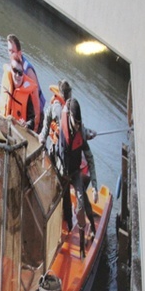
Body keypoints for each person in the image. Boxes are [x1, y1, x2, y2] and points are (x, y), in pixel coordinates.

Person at [59, 98, 98, 257]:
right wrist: (42, 134)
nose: (76, 128)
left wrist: (95, 187)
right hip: (61, 172)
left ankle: (82, 246)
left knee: (81, 204)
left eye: (79, 125)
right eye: (75, 124)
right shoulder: (59, 117)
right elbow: (47, 116)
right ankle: (64, 226)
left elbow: (90, 159)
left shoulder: (81, 132)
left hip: (76, 172)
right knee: (59, 203)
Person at [7, 34, 45, 113]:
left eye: (13, 51)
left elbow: (35, 96)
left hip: (34, 110)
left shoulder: (28, 71)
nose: (10, 54)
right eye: (9, 51)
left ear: (19, 53)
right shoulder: (14, 64)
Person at [1, 57, 41, 131]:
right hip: (3, 124)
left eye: (20, 73)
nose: (17, 75)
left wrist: (26, 124)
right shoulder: (7, 82)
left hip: (17, 132)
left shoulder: (27, 94)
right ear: (11, 70)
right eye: (15, 70)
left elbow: (32, 120)